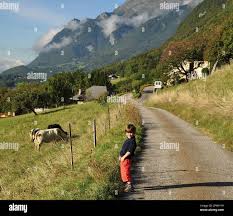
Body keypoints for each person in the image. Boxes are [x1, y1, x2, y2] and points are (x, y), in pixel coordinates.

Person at [119, 124, 137, 192]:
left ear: (134, 133)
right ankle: (127, 184)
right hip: (123, 159)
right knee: (123, 172)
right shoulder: (127, 140)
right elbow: (123, 149)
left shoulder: (133, 142)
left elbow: (129, 151)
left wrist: (123, 157)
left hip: (127, 159)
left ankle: (130, 185)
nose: (130, 134)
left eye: (131, 132)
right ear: (126, 133)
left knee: (126, 172)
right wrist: (120, 155)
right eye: (128, 132)